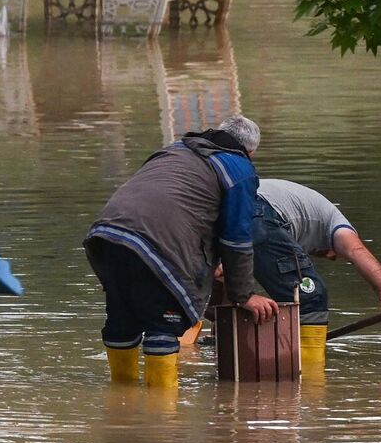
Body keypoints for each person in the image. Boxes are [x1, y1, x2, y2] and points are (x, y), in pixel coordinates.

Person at [85, 116, 278, 389]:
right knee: (162, 326)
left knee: (122, 320)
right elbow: (236, 236)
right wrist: (243, 294)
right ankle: (163, 420)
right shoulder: (239, 168)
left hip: (108, 234)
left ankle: (119, 405)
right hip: (160, 242)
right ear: (250, 151)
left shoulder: (173, 149)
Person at [250, 178, 381, 369]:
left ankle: (222, 348)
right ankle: (309, 380)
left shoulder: (300, 217)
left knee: (222, 291)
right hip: (259, 211)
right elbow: (356, 251)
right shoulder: (334, 223)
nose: (330, 257)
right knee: (311, 298)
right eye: (333, 255)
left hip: (227, 205)